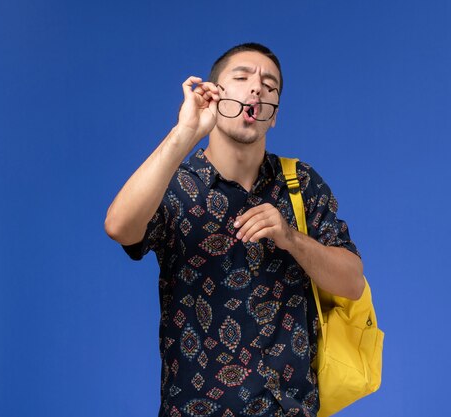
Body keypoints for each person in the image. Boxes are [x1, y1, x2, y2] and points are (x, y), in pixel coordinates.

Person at [105, 43, 364, 417]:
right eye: (242, 77)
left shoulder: (300, 184)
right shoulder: (175, 184)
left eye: (270, 85)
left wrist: (291, 238)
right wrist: (185, 132)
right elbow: (119, 227)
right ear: (213, 94)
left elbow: (352, 282)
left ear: (273, 116)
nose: (257, 88)